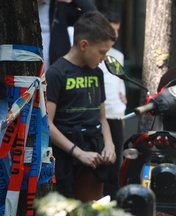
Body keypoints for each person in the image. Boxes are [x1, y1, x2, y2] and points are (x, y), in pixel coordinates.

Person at [45, 11, 117, 202]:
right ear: (83, 44)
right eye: (102, 52)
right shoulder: (56, 73)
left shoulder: (97, 74)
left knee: (92, 215)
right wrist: (78, 153)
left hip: (93, 157)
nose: (104, 58)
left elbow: (102, 117)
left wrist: (109, 145)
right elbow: (47, 124)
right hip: (66, 158)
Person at [99, 11, 127, 198]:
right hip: (100, 114)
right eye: (111, 29)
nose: (115, 35)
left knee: (115, 160)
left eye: (117, 30)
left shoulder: (119, 55)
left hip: (115, 114)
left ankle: (113, 198)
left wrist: (122, 98)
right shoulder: (95, 54)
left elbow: (119, 81)